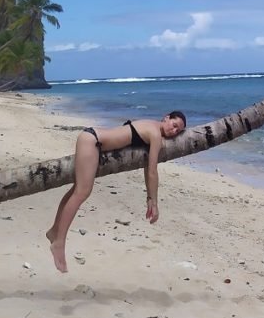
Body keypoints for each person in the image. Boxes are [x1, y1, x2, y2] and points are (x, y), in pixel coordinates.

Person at [46, 111, 187, 273]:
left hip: (91, 137)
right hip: (93, 141)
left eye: (178, 131)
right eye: (174, 125)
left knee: (76, 189)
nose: (174, 131)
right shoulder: (155, 134)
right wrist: (154, 202)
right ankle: (59, 243)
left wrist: (149, 198)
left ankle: (55, 230)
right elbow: (152, 171)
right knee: (82, 192)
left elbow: (148, 167)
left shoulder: (150, 124)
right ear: (167, 117)